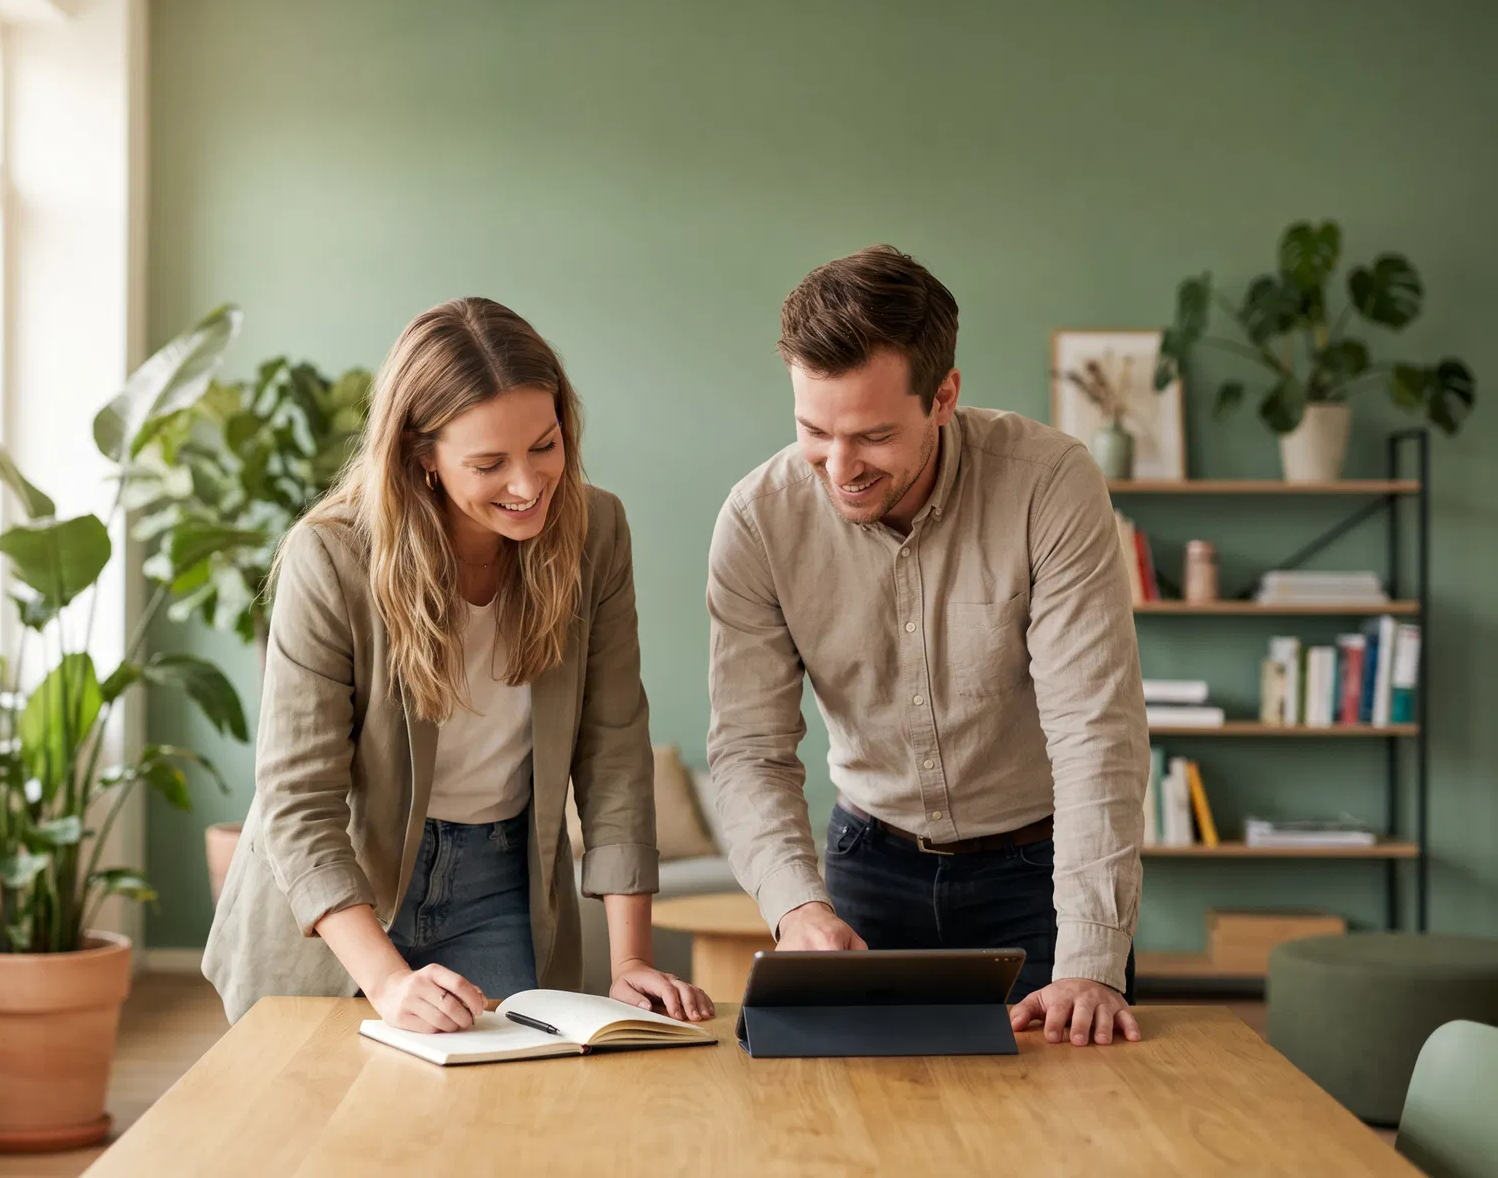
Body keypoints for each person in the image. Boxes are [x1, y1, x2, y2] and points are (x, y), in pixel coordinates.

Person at [203, 297, 713, 1034]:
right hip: (345, 891)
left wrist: (630, 962)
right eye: (488, 463)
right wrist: (385, 982)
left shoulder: (596, 533)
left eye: (545, 445)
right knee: (330, 1130)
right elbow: (298, 801)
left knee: (501, 1128)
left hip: (499, 883)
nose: (528, 483)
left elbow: (614, 752)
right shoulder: (333, 557)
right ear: (422, 456)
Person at [705, 246, 1149, 1048]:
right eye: (813, 431)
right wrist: (797, 908)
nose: (839, 469)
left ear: (944, 396)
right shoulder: (757, 521)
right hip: (867, 866)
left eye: (873, 436)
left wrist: (1089, 957)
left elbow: (1095, 731)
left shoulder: (1049, 485)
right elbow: (748, 750)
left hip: (1040, 879)